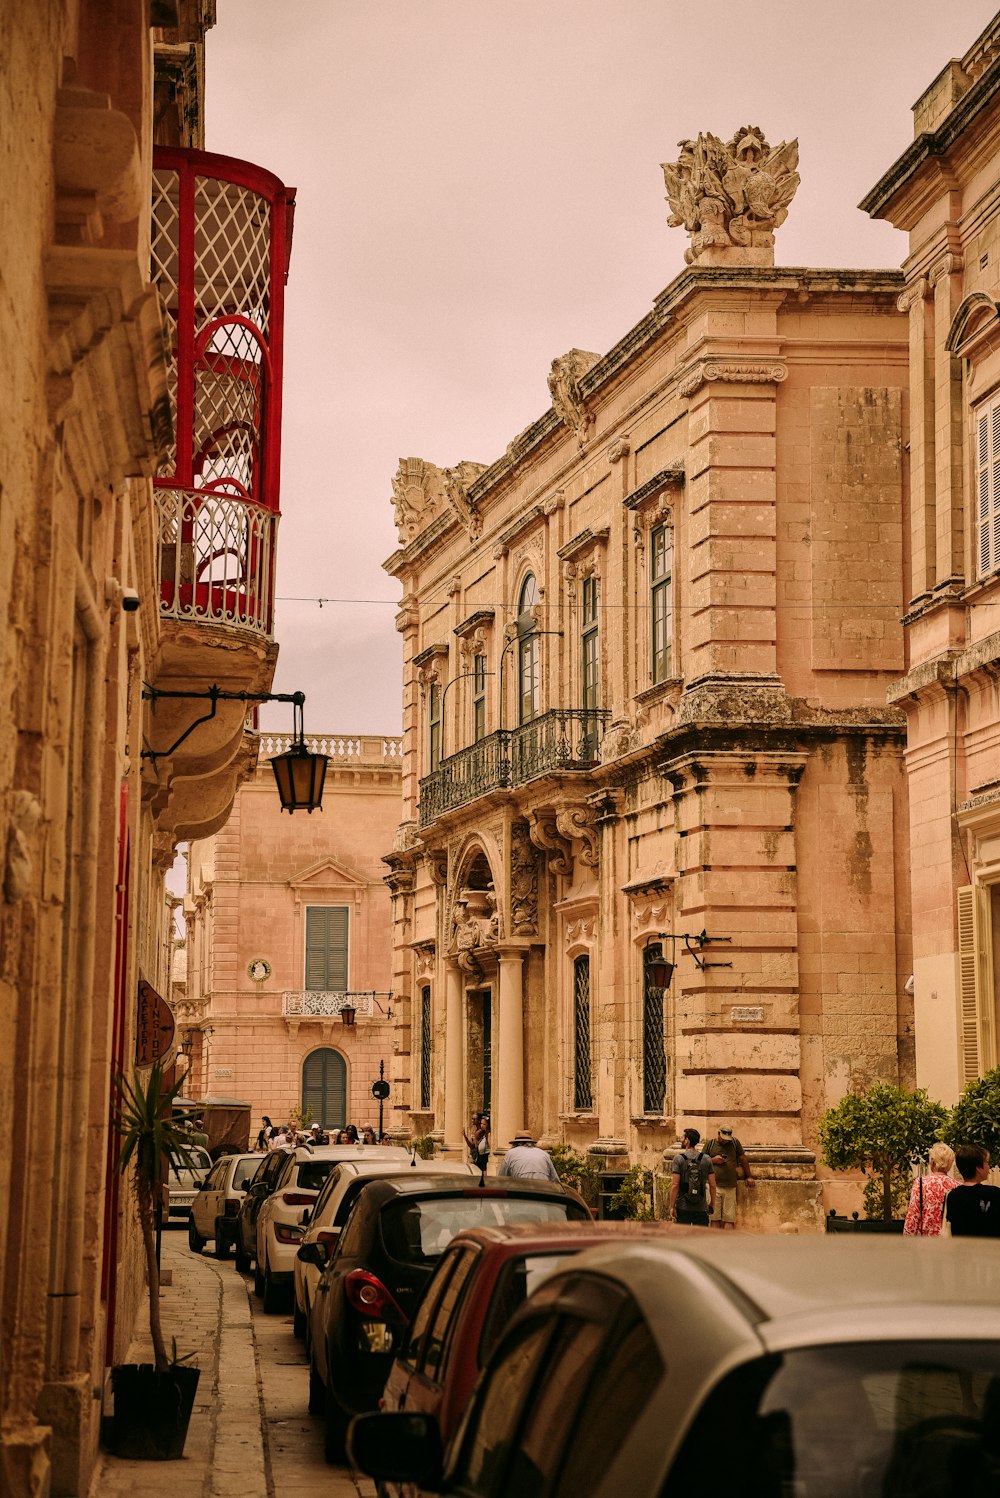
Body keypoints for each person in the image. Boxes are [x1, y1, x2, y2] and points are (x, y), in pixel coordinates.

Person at [943, 1145, 1000, 1237]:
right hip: (990, 1249)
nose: (988, 1167)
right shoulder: (994, 1194)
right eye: (987, 1163)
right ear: (978, 1167)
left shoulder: (953, 1196)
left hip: (962, 1249)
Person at [705, 1124, 754, 1229]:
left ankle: (728, 1243)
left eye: (727, 1139)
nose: (725, 1141)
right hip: (713, 1186)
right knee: (714, 1218)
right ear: (718, 1134)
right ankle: (715, 1242)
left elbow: (743, 1159)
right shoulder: (710, 1144)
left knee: (729, 1218)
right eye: (723, 1139)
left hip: (730, 1186)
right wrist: (713, 1160)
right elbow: (701, 1161)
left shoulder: (735, 1143)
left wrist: (749, 1176)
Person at [903, 1142, 956, 1236]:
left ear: (932, 1161)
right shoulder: (956, 1186)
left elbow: (913, 1217)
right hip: (949, 1242)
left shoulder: (921, 1183)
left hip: (926, 1241)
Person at [669, 1127, 716, 1226]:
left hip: (683, 1207)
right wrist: (712, 1203)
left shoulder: (678, 1159)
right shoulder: (707, 1159)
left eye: (683, 1138)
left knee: (682, 1239)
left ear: (687, 1141)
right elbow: (712, 1185)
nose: (681, 1140)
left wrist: (672, 1206)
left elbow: (675, 1184)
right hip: (701, 1207)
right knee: (700, 1240)